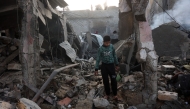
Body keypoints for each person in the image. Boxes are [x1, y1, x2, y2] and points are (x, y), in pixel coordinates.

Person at [94, 35, 119, 100]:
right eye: (106, 42)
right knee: (105, 81)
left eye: (108, 42)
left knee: (113, 80)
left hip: (111, 66)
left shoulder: (112, 47)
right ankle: (107, 94)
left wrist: (116, 64)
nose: (107, 44)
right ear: (103, 42)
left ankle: (115, 94)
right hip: (104, 67)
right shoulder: (100, 49)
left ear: (110, 42)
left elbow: (115, 56)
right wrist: (96, 69)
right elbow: (98, 59)